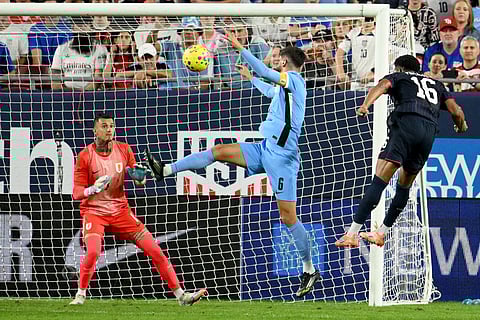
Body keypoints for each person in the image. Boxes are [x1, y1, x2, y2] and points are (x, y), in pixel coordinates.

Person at [143, 31, 321, 298]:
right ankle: (165, 170)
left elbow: (265, 71)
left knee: (288, 217)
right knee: (219, 151)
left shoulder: (295, 80)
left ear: (284, 62)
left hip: (283, 157)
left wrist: (240, 47)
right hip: (265, 149)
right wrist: (251, 80)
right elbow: (270, 89)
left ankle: (309, 269)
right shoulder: (286, 89)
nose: (274, 61)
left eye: (277, 58)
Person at [70, 113, 207, 306]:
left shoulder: (124, 149)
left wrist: (139, 176)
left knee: (155, 250)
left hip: (121, 212)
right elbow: (76, 193)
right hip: (94, 212)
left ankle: (181, 296)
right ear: (95, 130)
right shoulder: (85, 156)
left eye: (111, 126)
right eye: (104, 126)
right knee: (93, 252)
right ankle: (80, 296)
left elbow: (139, 178)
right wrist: (94, 188)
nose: (109, 129)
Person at [335, 55, 468, 248]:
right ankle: (381, 232)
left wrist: (365, 105)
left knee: (380, 179)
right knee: (405, 185)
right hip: (429, 134)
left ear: (399, 68)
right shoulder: (437, 85)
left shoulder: (400, 77)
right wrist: (461, 126)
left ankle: (352, 234)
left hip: (407, 124)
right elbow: (456, 111)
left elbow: (381, 86)